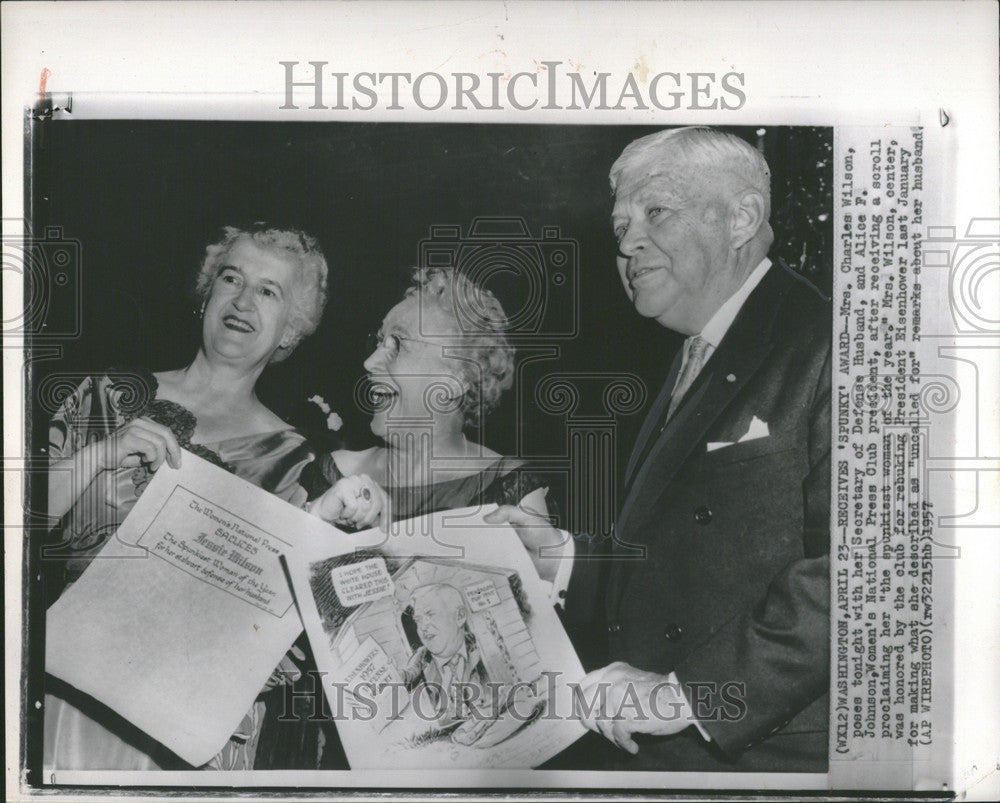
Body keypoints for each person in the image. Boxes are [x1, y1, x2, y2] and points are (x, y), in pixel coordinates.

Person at [491, 126, 832, 772]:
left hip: (767, 764)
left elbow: (862, 580)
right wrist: (562, 559)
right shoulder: (695, 353)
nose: (626, 243)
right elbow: (696, 561)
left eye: (656, 212)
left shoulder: (829, 342)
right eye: (619, 225)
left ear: (741, 217)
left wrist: (687, 693)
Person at [43, 222, 350, 771]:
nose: (242, 300)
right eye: (231, 278)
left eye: (268, 290)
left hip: (195, 730)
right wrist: (96, 455)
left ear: (291, 329)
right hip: (71, 692)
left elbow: (297, 623)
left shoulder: (301, 462)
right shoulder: (105, 397)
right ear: (207, 294)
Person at [402, 584, 490, 723]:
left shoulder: (474, 643)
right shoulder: (423, 656)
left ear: (460, 616)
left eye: (430, 615)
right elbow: (409, 674)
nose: (423, 627)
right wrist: (393, 675)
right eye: (418, 620)